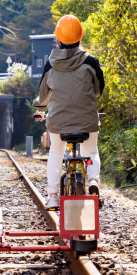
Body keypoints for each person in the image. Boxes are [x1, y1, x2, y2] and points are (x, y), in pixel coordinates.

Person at [33, 15, 104, 210]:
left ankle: (53, 196)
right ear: (81, 36)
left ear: (58, 38)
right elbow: (98, 91)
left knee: (56, 151)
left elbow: (43, 96)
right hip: (87, 121)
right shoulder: (91, 61)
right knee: (91, 151)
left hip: (58, 123)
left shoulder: (50, 64)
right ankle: (93, 182)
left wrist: (39, 108)